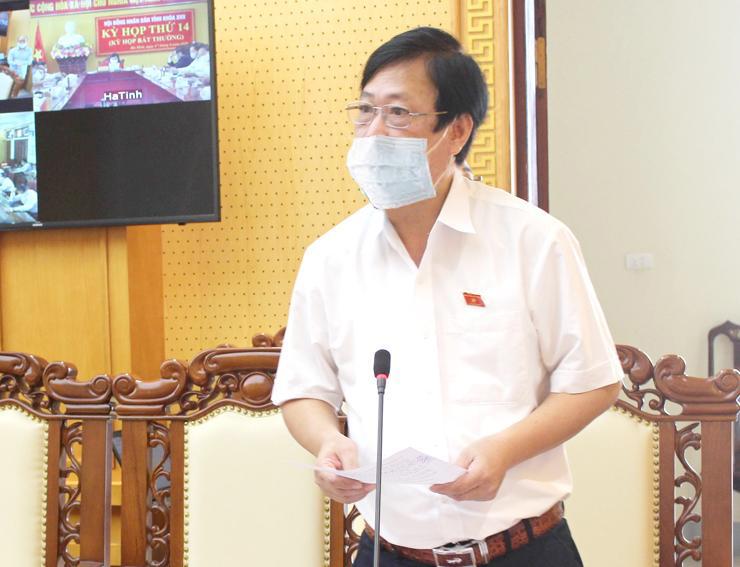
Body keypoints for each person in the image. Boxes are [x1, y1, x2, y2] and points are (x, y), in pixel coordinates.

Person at [272, 27, 622, 567]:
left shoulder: (533, 240)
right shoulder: (330, 258)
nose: (374, 133)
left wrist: (505, 451)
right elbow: (302, 389)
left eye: (398, 113)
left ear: (456, 130)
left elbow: (593, 380)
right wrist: (326, 443)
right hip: (390, 551)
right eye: (365, 111)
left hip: (523, 548)